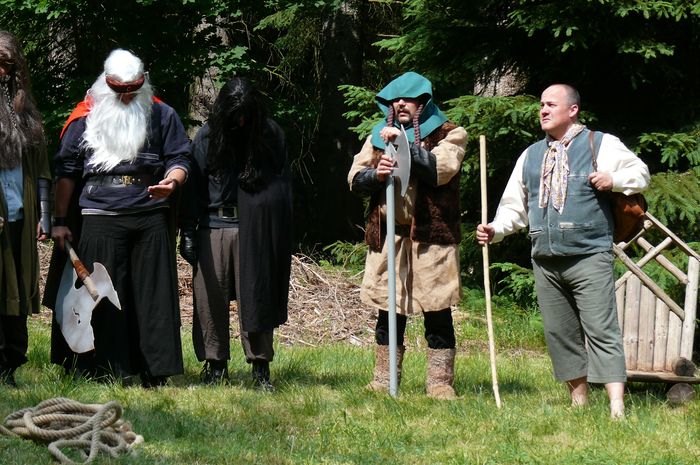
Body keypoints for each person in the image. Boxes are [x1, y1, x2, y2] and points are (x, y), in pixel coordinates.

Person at [476, 84, 650, 418]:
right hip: (545, 258)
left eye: (551, 104)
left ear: (572, 110)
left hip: (589, 254)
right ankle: (578, 402)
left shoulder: (601, 143)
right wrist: (495, 230)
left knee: (601, 329)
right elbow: (514, 206)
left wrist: (612, 179)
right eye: (541, 105)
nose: (543, 110)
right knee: (560, 333)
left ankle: (616, 406)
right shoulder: (530, 155)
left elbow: (640, 174)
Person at [47, 49, 190, 387]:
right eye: (119, 90)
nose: (126, 97)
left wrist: (173, 182)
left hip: (149, 214)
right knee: (101, 295)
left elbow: (180, 157)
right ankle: (104, 368)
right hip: (100, 215)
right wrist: (60, 219)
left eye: (133, 90)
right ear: (106, 83)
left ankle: (154, 371)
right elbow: (66, 172)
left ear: (143, 83)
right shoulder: (85, 117)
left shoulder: (162, 114)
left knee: (152, 296)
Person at [348, 71, 467, 399]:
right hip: (390, 237)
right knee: (389, 310)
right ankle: (384, 378)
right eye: (395, 100)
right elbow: (355, 179)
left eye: (408, 99)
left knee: (437, 310)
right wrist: (376, 174)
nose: (400, 104)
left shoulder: (449, 133)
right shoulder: (378, 137)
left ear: (423, 103)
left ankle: (440, 382)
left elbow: (440, 170)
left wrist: (403, 146)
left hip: (432, 238)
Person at [179, 77, 292, 390]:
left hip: (255, 229)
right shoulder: (208, 136)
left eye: (246, 115)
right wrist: (187, 230)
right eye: (235, 115)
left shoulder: (270, 134)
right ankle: (215, 366)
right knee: (209, 299)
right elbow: (193, 187)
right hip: (213, 225)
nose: (241, 122)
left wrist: (279, 232)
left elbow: (282, 187)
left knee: (256, 297)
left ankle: (260, 367)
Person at [0, 31, 51, 387]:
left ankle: (11, 364)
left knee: (17, 291)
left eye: (6, 65)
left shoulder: (25, 112)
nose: (1, 72)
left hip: (21, 215)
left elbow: (42, 167)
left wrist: (44, 213)